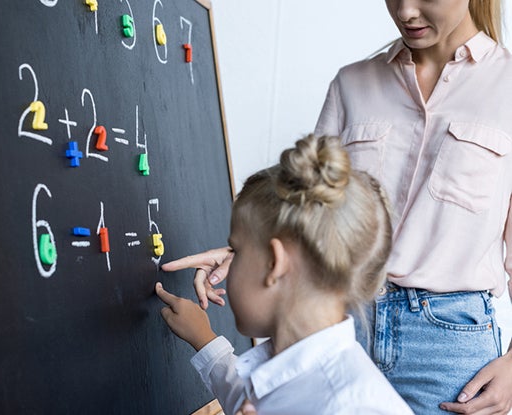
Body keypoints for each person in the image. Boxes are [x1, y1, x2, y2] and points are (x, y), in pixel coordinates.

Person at [163, 1, 512, 413]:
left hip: (448, 348)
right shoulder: (353, 84)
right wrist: (245, 255)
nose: (406, 12)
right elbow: (309, 206)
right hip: (338, 324)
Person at [156, 135, 414, 414]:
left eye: (236, 251)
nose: (228, 265)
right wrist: (204, 340)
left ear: (274, 265)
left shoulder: (353, 406)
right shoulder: (300, 371)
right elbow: (246, 397)